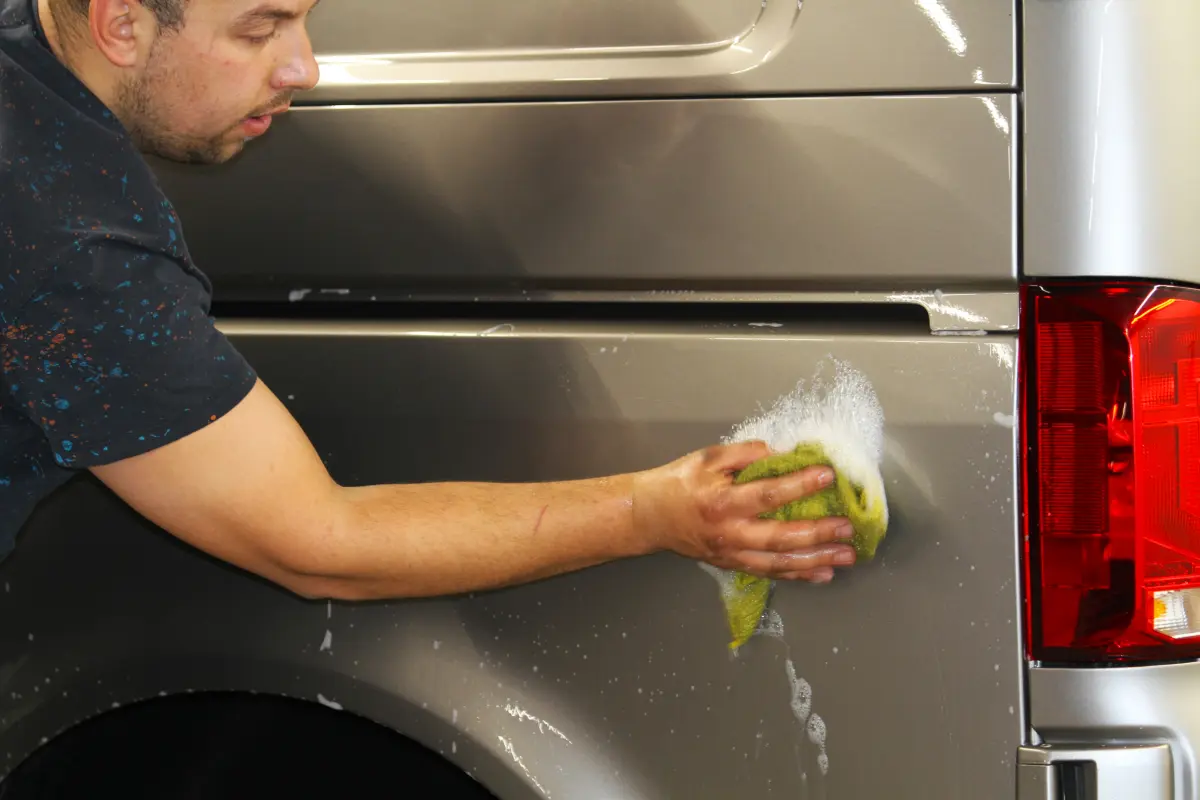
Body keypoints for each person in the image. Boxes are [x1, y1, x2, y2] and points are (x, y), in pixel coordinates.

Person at [0, 0, 858, 600]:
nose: (304, 68)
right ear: (122, 23)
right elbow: (318, 544)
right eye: (259, 29)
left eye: (306, 18)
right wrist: (649, 513)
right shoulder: (73, 249)